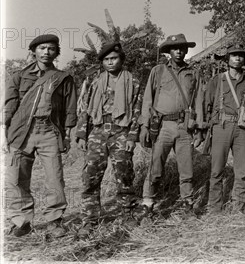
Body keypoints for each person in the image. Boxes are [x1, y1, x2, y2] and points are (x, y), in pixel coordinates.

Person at [3, 34, 77, 238]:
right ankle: (22, 221)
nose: (46, 52)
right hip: (21, 132)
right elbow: (8, 107)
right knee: (16, 178)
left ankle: (54, 221)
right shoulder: (18, 76)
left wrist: (68, 135)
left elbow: (70, 109)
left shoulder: (63, 78)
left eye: (51, 48)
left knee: (55, 178)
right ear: (34, 51)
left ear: (56, 52)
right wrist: (4, 134)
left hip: (49, 132)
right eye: (42, 48)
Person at [75, 42, 143, 237]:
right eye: (106, 59)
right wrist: (81, 134)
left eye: (114, 58)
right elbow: (85, 109)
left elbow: (137, 111)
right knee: (91, 176)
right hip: (97, 132)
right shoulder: (95, 81)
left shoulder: (133, 81)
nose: (110, 62)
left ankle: (127, 214)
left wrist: (132, 136)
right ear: (102, 62)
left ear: (121, 59)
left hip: (121, 132)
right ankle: (90, 219)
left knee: (124, 174)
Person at [138, 34, 203, 219]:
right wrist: (144, 125)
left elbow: (198, 100)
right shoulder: (158, 71)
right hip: (163, 126)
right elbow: (147, 100)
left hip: (184, 126)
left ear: (186, 50)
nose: (179, 52)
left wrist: (199, 128)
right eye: (174, 48)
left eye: (182, 48)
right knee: (155, 167)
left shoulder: (193, 73)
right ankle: (148, 204)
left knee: (186, 168)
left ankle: (187, 204)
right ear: (168, 51)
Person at [203, 44, 245, 213]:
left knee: (242, 171)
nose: (238, 58)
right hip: (221, 127)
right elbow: (207, 105)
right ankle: (214, 208)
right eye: (234, 55)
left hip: (242, 128)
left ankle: (239, 207)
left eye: (241, 55)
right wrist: (208, 128)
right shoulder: (217, 80)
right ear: (227, 59)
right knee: (216, 170)